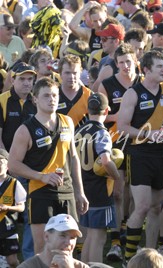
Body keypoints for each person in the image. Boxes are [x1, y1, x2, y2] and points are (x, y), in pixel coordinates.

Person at [8, 77, 89, 254]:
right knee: (43, 249)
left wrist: (79, 191)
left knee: (68, 248)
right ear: (35, 99)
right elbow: (12, 165)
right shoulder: (25, 129)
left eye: (54, 95)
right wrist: (42, 176)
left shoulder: (67, 122)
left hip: (66, 192)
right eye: (46, 96)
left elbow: (74, 157)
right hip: (40, 193)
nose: (52, 99)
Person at [118, 51, 163, 266]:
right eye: (159, 66)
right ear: (146, 69)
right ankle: (130, 258)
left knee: (156, 208)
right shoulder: (133, 93)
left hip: (161, 154)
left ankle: (150, 257)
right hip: (139, 154)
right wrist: (148, 134)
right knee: (141, 206)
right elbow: (122, 127)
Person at [98, 43, 141, 262]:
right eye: (121, 62)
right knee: (117, 190)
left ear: (136, 61)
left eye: (129, 61)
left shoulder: (144, 82)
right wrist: (121, 117)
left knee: (136, 192)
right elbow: (98, 115)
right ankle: (115, 240)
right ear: (116, 64)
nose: (125, 66)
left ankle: (129, 230)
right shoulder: (107, 84)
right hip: (116, 142)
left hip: (140, 142)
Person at [75, 93, 121, 263]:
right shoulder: (102, 132)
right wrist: (116, 177)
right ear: (107, 110)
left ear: (88, 110)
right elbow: (106, 161)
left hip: (83, 187)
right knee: (99, 238)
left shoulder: (79, 129)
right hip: (99, 189)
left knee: (89, 236)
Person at [0, 63, 36, 260]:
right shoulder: (2, 101)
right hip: (7, 169)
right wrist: (7, 162)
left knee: (31, 215)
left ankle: (30, 258)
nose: (26, 83)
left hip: (31, 168)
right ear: (12, 80)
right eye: (22, 79)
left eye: (30, 79)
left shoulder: (37, 101)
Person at [17, 213, 90, 268]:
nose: (69, 242)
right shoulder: (28, 266)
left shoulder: (81, 266)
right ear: (46, 237)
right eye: (63, 235)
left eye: (73, 238)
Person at [0, 149, 26, 268]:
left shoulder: (14, 183)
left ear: (7, 165)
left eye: (1, 162)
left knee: (12, 261)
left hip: (8, 227)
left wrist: (8, 207)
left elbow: (22, 207)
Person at [57, 54, 91, 128]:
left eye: (75, 73)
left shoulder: (89, 95)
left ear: (80, 73)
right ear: (60, 73)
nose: (71, 77)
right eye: (67, 73)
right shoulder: (53, 95)